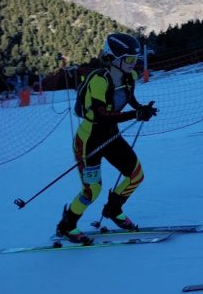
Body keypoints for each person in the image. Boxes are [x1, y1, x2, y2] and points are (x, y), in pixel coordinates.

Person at [56, 33, 158, 245]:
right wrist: (135, 114)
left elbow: (129, 98)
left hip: (111, 136)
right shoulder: (99, 81)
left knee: (136, 176)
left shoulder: (129, 77)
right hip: (89, 140)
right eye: (128, 59)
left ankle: (113, 209)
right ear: (112, 58)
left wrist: (141, 109)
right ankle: (67, 226)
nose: (133, 63)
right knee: (92, 190)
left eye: (135, 58)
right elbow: (101, 116)